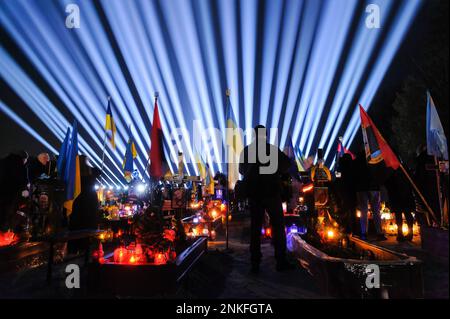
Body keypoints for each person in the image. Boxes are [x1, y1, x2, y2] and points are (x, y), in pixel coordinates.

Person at [239, 125, 292, 273]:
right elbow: (286, 165)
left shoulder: (248, 151)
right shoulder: (273, 150)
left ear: (255, 135)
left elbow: (241, 170)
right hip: (271, 193)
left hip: (255, 194)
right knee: (278, 226)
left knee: (255, 229)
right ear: (266, 136)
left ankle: (255, 263)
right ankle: (280, 260)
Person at [354, 150, 386, 241]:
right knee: (376, 210)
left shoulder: (357, 161)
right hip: (373, 187)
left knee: (364, 211)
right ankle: (379, 233)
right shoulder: (374, 158)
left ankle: (364, 233)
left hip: (361, 187)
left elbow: (355, 174)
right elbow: (379, 172)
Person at [0, 150, 29, 231]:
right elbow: (24, 181)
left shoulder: (3, 161)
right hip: (10, 194)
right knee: (6, 213)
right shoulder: (20, 166)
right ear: (24, 159)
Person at [385, 167, 415, 242]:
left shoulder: (392, 170)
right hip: (404, 193)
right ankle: (404, 233)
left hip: (399, 194)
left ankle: (403, 233)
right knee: (405, 213)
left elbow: (388, 183)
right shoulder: (404, 169)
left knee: (401, 214)